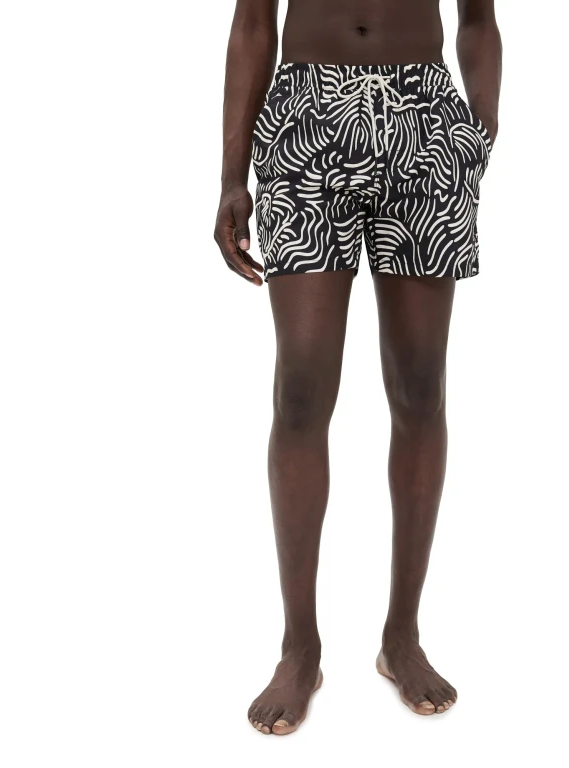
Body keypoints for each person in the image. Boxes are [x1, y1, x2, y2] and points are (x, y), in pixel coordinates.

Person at [214, 0, 501, 736]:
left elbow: (478, 19)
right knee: (301, 389)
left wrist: (481, 129)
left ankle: (402, 637)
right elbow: (253, 22)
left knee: (420, 388)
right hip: (306, 116)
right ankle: (299, 647)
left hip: (424, 120)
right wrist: (231, 175)